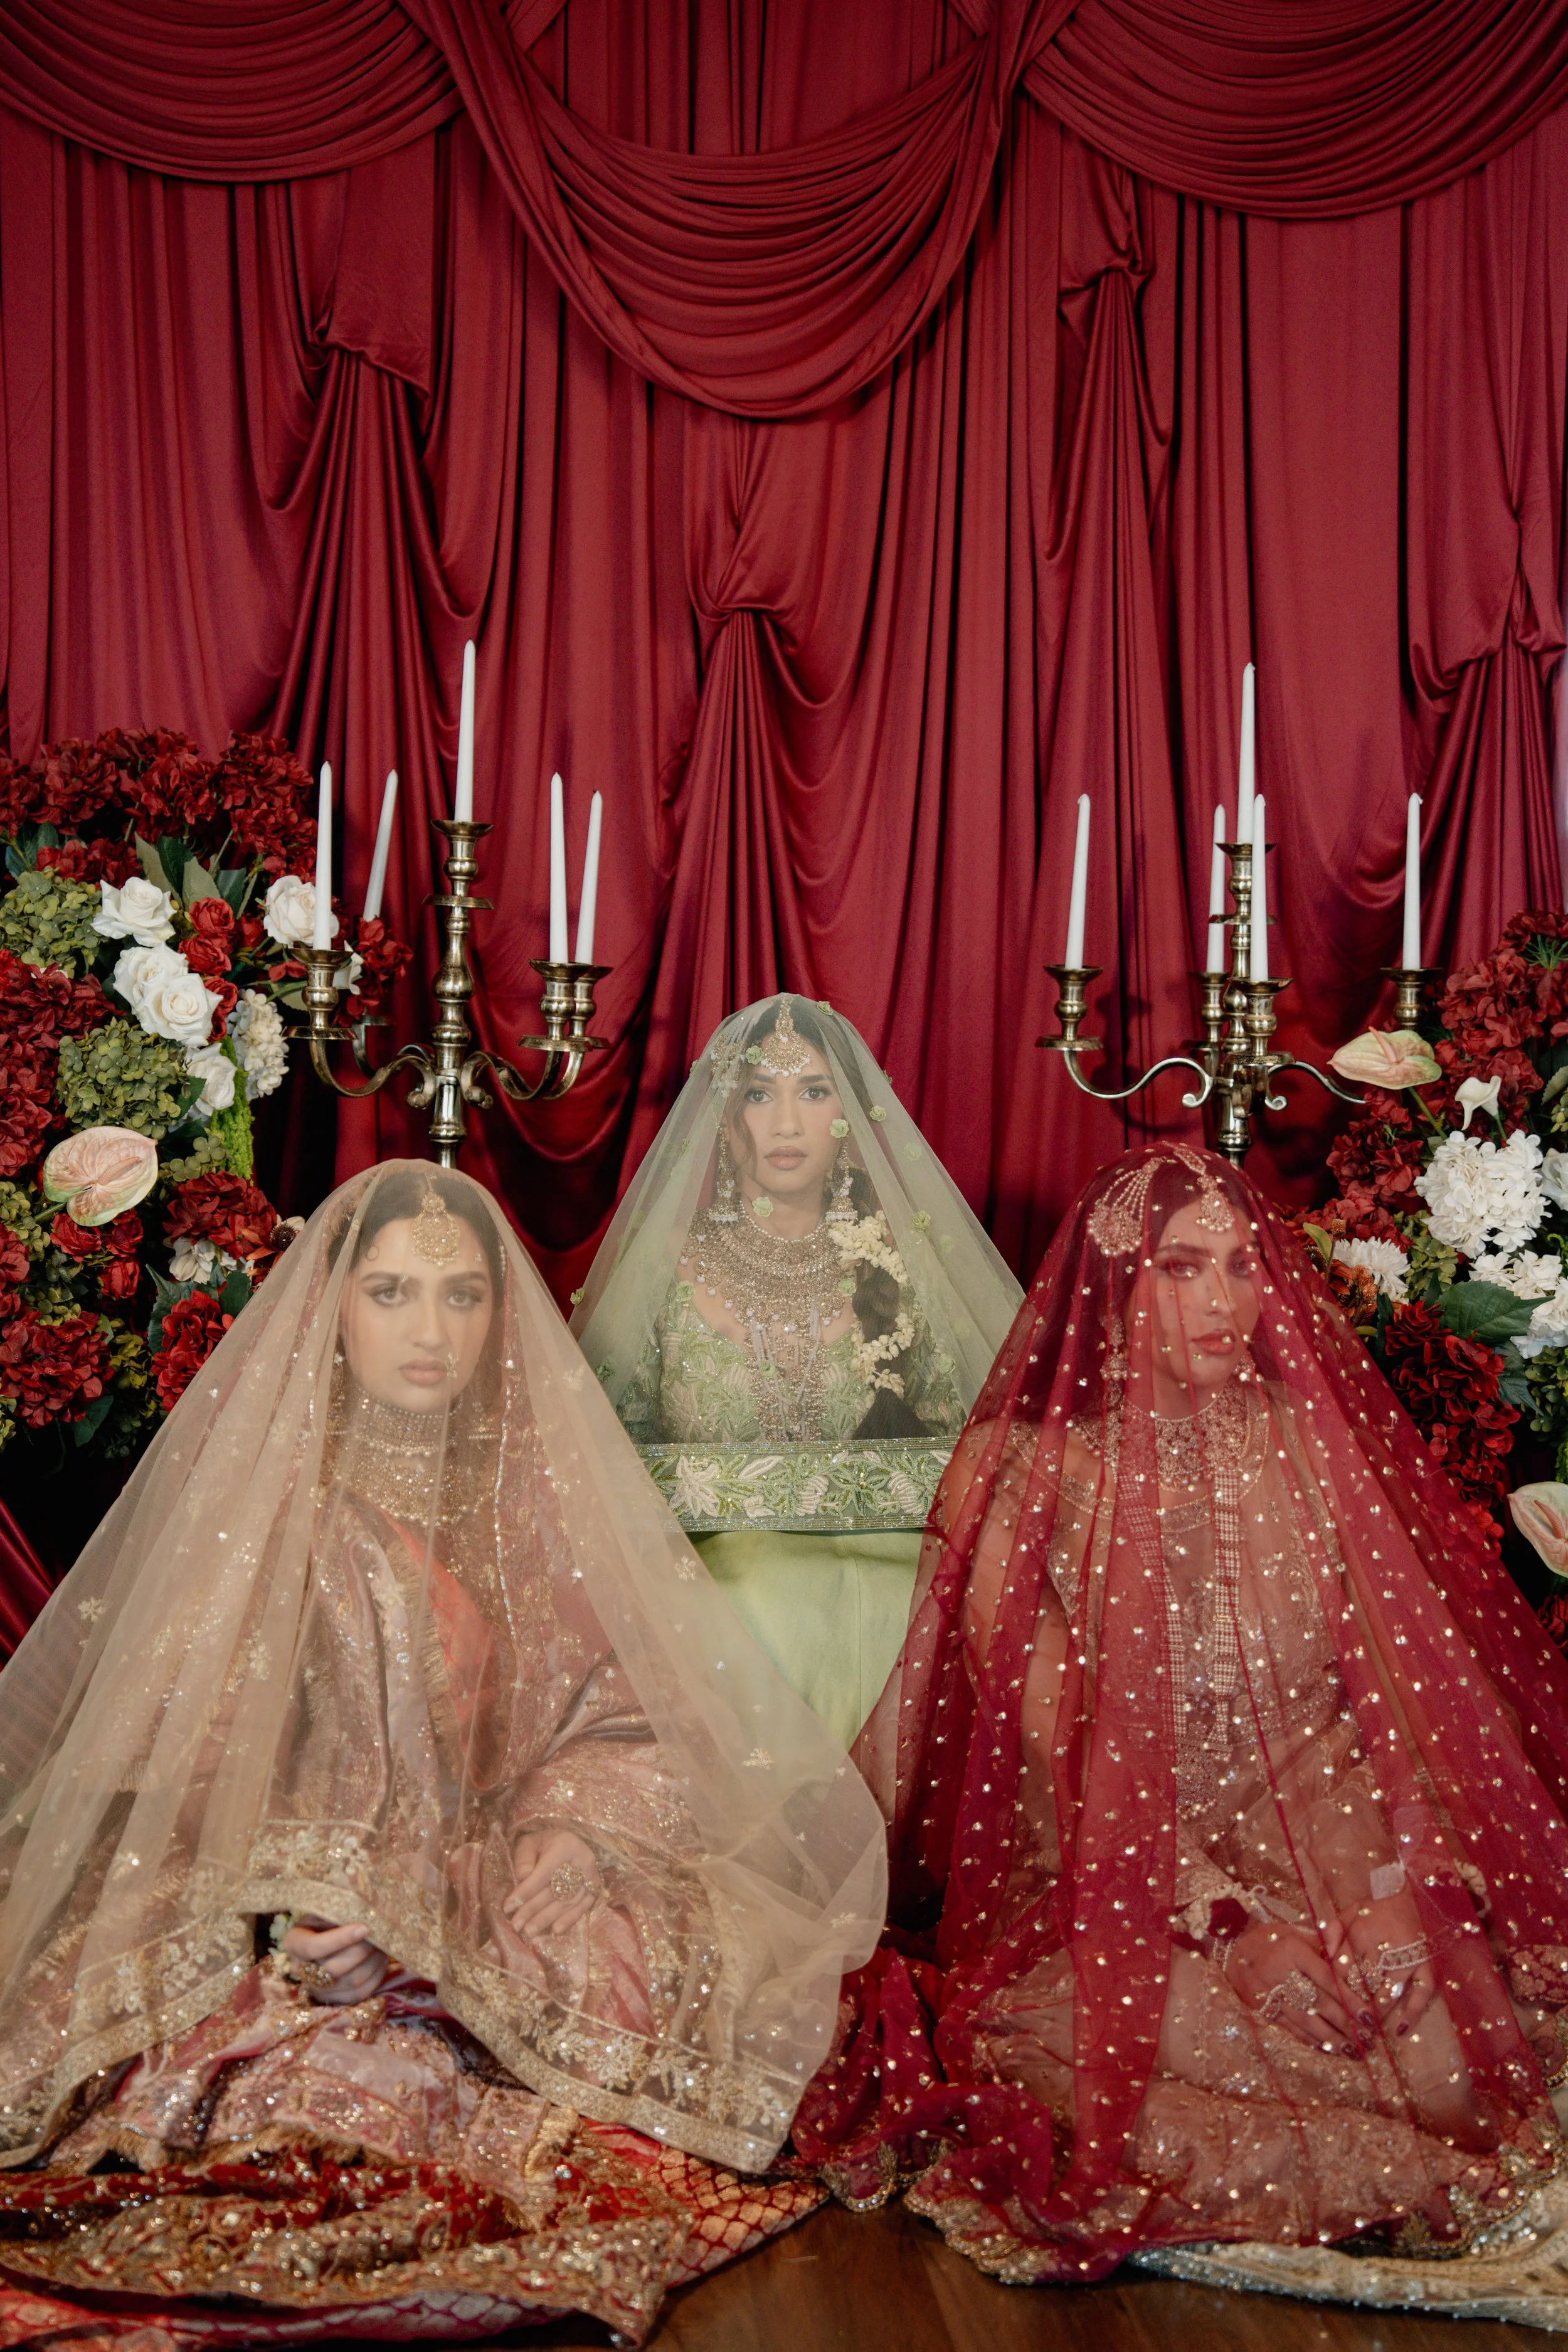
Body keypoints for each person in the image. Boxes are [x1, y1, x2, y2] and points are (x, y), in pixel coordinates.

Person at [0, 1164, 885, 2346]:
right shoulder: (272, 1506)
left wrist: (568, 1830)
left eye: (463, 1296)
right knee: (285, 2064)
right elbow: (186, 1770)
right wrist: (301, 1910)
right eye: (393, 1292)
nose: (431, 1331)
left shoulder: (537, 1494)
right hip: (289, 1895)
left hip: (482, 1863)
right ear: (332, 1313)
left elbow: (629, 1712)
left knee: (671, 1958)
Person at [796, 1142, 1568, 2321]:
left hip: (1333, 1832)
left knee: (1449, 2050)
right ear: (1115, 1287)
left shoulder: (1315, 1452)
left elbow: (1399, 1702)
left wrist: (1403, 1891)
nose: (1226, 1301)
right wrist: (1227, 1920)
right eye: (1182, 1269)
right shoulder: (1019, 1480)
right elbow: (1069, 1752)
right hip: (1122, 1874)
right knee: (1137, 2081)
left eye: (1246, 1268)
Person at [571, 997, 1021, 1749]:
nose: (785, 1122)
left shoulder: (904, 1269)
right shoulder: (662, 1268)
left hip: (887, 1572)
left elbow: (973, 1449)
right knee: (758, 1595)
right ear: (723, 1117)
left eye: (812, 1091)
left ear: (851, 1115)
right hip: (708, 1586)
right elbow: (599, 1458)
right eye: (758, 1093)